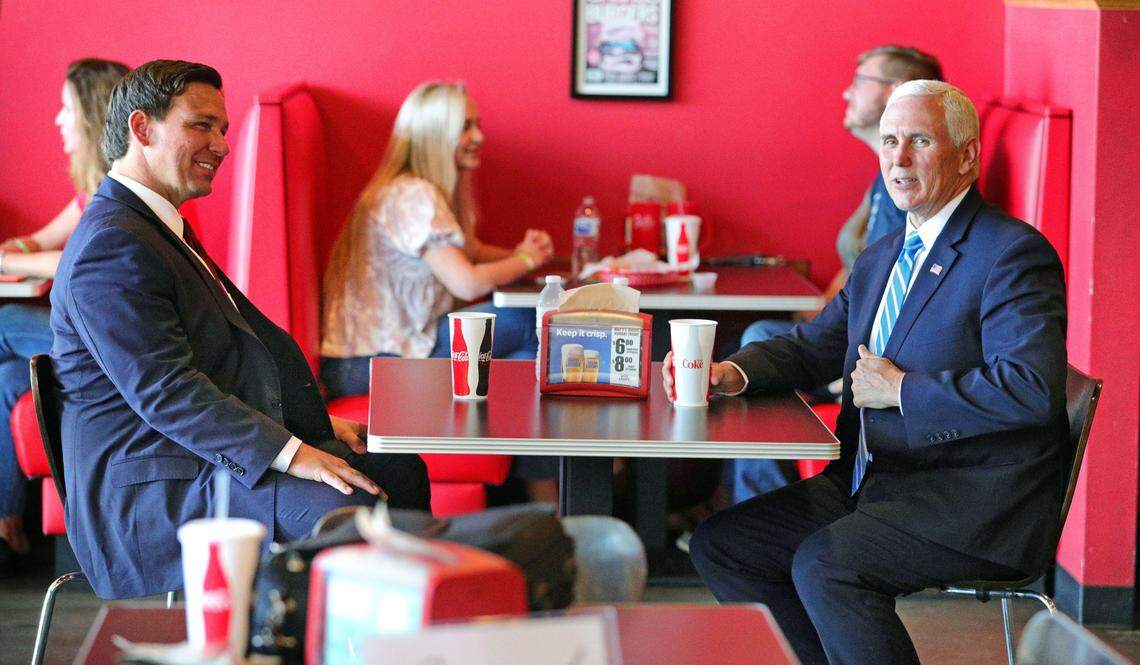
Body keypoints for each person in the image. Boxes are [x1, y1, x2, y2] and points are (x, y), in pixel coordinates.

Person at [666, 81, 1068, 664]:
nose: (898, 160)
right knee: (725, 545)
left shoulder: (1010, 253)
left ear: (968, 156)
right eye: (889, 142)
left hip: (968, 501)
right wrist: (733, 371)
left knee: (827, 564)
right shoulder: (884, 255)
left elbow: (1031, 390)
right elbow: (813, 347)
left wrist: (904, 390)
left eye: (920, 141)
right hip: (872, 482)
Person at [50, 60, 430, 600]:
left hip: (189, 461)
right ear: (142, 128)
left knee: (402, 474)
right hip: (152, 493)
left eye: (223, 129)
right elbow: (168, 391)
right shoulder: (111, 246)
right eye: (201, 125)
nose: (222, 144)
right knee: (349, 514)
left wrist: (307, 426)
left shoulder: (153, 224)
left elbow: (217, 358)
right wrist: (295, 451)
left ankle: (401, 643)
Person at [729, 46, 943, 502]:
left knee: (757, 344)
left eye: (859, 80)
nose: (847, 90)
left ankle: (767, 508)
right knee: (757, 349)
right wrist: (815, 326)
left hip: (872, 359)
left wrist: (832, 362)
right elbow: (858, 273)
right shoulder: (883, 176)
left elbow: (896, 302)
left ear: (892, 93)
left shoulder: (916, 194)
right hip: (840, 335)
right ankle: (753, 505)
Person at [320, 81, 554, 400]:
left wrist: (526, 255)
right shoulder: (413, 195)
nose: (479, 137)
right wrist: (525, 261)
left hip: (365, 361)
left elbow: (469, 254)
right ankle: (535, 441)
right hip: (375, 363)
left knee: (520, 355)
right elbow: (467, 283)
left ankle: (509, 435)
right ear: (434, 135)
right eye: (465, 127)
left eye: (477, 125)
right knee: (529, 321)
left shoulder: (412, 190)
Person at [0, 58, 128, 575]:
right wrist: (20, 245)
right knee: (9, 378)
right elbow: (52, 239)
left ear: (93, 116)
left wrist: (8, 260)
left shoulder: (119, 189)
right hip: (98, 336)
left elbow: (74, 260)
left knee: (5, 322)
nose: (58, 120)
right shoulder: (96, 186)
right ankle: (8, 520)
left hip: (115, 348)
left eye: (66, 108)